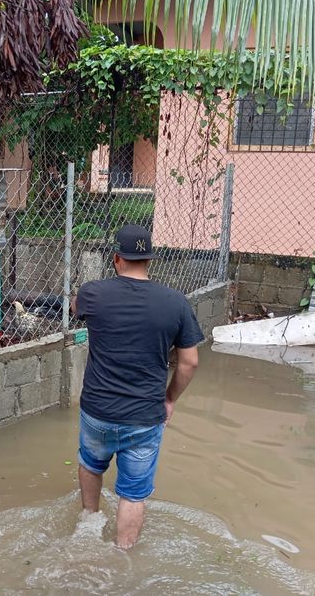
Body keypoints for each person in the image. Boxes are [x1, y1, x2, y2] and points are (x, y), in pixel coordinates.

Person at [73, 224, 203, 548]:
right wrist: (169, 399)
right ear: (149, 260)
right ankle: (123, 554)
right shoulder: (176, 303)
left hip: (97, 411)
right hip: (144, 417)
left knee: (90, 464)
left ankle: (89, 522)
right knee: (132, 495)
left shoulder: (92, 293)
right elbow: (190, 362)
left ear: (117, 258)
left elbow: (77, 311)